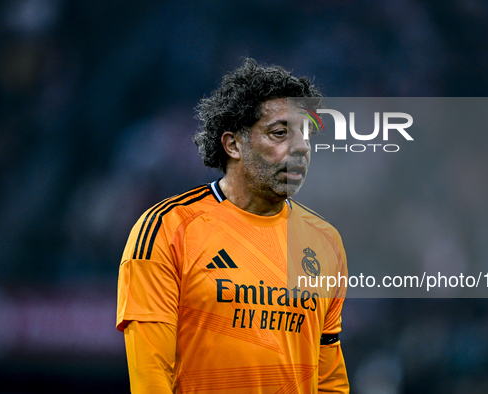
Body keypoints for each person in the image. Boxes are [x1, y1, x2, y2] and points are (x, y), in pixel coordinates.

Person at [116, 58, 349, 393]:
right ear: (233, 145)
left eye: (306, 135)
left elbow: (329, 380)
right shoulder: (167, 229)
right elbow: (151, 377)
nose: (300, 148)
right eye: (280, 133)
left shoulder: (325, 241)